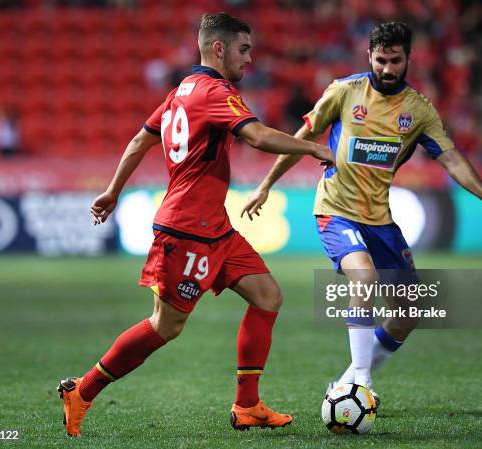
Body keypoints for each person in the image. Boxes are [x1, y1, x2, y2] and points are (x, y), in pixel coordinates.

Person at [57, 12, 334, 437]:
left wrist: (113, 190)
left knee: (267, 296)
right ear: (217, 48)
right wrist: (315, 149)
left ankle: (247, 405)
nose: (250, 58)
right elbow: (256, 136)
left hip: (215, 228)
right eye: (243, 49)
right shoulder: (212, 90)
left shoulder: (180, 91)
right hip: (186, 231)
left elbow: (138, 141)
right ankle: (83, 390)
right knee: (165, 326)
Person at [242, 22, 482, 406]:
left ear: (409, 58)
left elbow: (451, 158)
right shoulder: (344, 92)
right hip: (336, 210)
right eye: (381, 60)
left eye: (395, 61)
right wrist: (266, 184)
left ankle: (345, 386)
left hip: (379, 219)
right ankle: (360, 384)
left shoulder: (418, 110)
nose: (388, 69)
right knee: (364, 276)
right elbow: (301, 138)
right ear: (369, 57)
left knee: (408, 312)